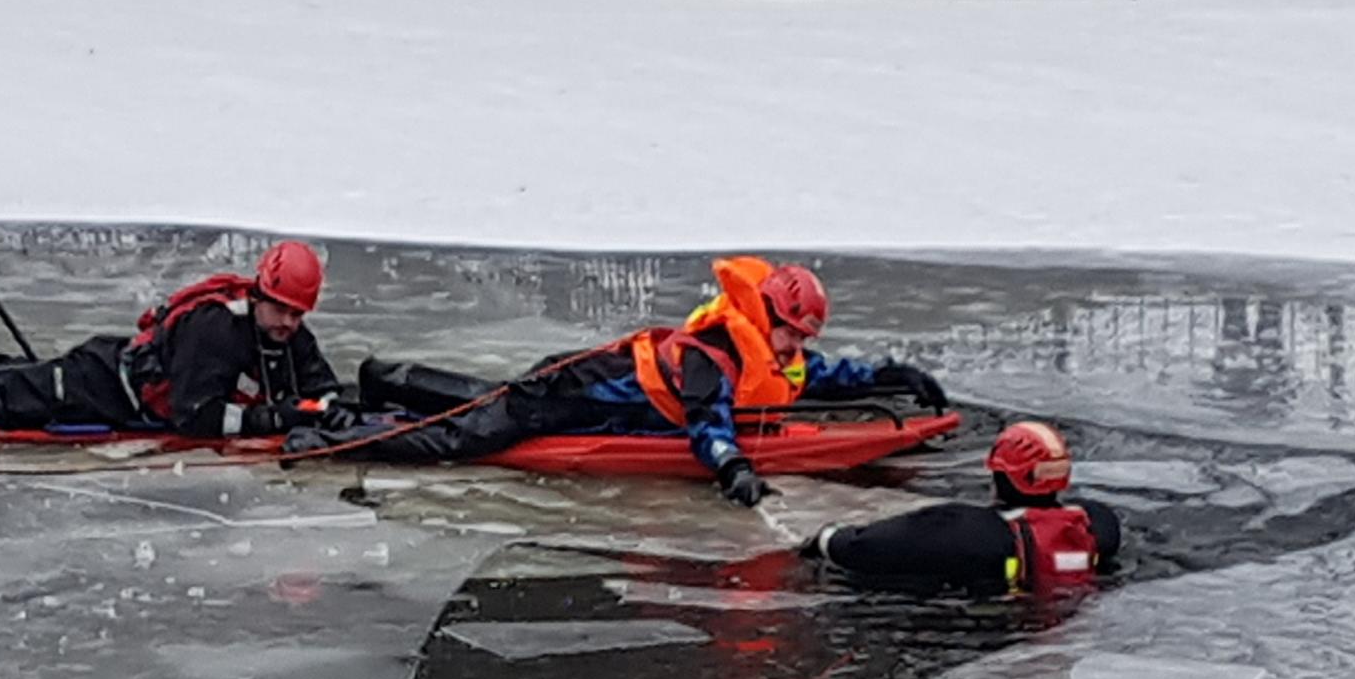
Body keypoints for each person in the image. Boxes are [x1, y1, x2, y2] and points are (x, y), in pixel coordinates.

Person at [285, 255, 948, 507]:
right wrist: (733, 472)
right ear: (767, 314)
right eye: (794, 333)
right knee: (459, 440)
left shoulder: (769, 348)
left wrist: (892, 376)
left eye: (805, 338)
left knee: (482, 401)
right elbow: (708, 427)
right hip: (569, 397)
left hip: (591, 401)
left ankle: (384, 379)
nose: (800, 347)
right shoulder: (712, 356)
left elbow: (821, 378)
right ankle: (336, 431)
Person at [0, 240, 347, 437]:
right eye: (282, 311)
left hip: (114, 367)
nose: (290, 325)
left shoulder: (288, 331)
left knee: (15, 373)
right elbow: (194, 415)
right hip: (103, 385)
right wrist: (272, 420)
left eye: (299, 315)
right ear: (259, 294)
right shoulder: (216, 331)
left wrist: (329, 407)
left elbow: (319, 381)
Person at [802, 421, 1122, 595]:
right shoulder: (1096, 526)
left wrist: (824, 539)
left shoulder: (969, 532)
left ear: (999, 474)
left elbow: (862, 547)